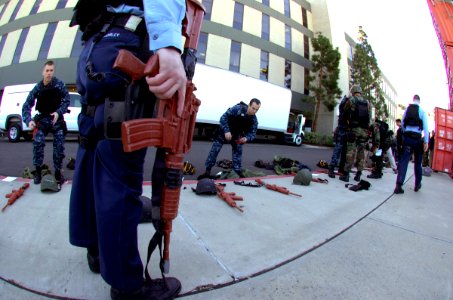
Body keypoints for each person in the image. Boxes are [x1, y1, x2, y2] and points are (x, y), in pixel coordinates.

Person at [68, 1, 188, 299]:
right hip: (129, 39)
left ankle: (97, 252)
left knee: (94, 145)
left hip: (99, 45)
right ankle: (128, 285)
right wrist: (169, 46)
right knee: (120, 173)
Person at [22, 60, 70, 185]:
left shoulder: (59, 84)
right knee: (38, 142)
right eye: (47, 71)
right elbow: (26, 105)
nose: (49, 73)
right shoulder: (38, 87)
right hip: (43, 120)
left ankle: (58, 173)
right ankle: (38, 172)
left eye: (51, 71)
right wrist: (29, 120)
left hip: (56, 120)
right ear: (43, 72)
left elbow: (66, 100)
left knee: (59, 145)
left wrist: (59, 112)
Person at [201, 98, 261, 178]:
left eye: (256, 110)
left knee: (238, 150)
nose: (254, 111)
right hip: (224, 132)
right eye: (253, 108)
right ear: (249, 105)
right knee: (215, 149)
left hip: (236, 135)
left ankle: (236, 171)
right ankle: (207, 170)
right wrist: (226, 131)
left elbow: (252, 134)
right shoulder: (238, 109)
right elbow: (223, 118)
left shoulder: (254, 120)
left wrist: (246, 138)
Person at [339, 85, 377, 182]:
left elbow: (345, 111)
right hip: (364, 132)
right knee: (361, 153)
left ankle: (346, 174)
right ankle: (358, 174)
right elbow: (369, 118)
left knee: (351, 152)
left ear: (353, 92)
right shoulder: (367, 103)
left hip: (354, 130)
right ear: (360, 92)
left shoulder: (352, 99)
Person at [394, 94, 429, 194]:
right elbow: (426, 128)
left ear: (413, 100)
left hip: (408, 138)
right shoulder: (422, 111)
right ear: (419, 101)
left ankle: (398, 185)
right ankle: (417, 184)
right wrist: (426, 141)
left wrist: (405, 133)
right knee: (418, 162)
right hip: (417, 139)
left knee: (404, 161)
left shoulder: (407, 109)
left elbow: (403, 124)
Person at [327, 94, 349, 178]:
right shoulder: (344, 104)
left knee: (344, 152)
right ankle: (332, 168)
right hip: (342, 131)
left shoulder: (347, 105)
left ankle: (340, 168)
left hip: (346, 131)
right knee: (338, 150)